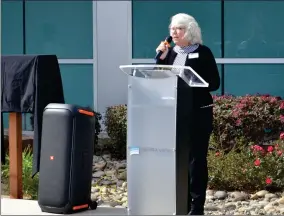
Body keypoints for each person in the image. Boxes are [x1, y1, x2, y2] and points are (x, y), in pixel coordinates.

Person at [155, 13, 220, 215]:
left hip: (198, 113)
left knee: (195, 159)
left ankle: (196, 206)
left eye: (179, 28)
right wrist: (161, 59)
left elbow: (214, 83)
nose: (174, 32)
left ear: (189, 30)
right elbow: (161, 80)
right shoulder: (170, 53)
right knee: (176, 158)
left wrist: (192, 82)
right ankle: (178, 203)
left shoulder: (203, 52)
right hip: (174, 112)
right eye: (172, 28)